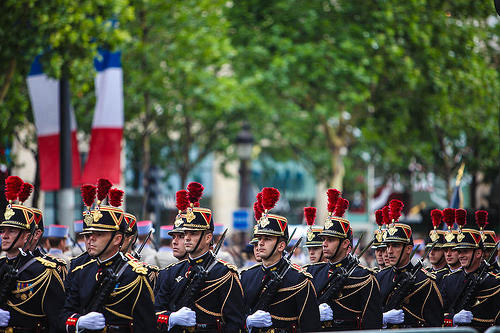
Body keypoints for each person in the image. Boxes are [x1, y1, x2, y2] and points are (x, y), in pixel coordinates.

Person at [61, 184, 155, 332]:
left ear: (117, 239)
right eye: (87, 235)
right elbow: (64, 314)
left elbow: (146, 325)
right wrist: (79, 322)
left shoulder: (134, 275)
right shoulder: (82, 271)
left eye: (98, 234)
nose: (90, 240)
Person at [155, 182, 244, 332]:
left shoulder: (224, 274)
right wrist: (171, 318)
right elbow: (155, 312)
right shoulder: (169, 273)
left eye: (193, 233)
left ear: (208, 237)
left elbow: (234, 323)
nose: (187, 238)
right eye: (185, 234)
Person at [240, 187, 320, 332]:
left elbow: (310, 326)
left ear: (281, 245)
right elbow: (233, 319)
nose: (260, 243)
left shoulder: (299, 279)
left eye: (267, 239)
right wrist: (247, 321)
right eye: (259, 239)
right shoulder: (246, 276)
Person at [306, 190, 382, 330]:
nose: (324, 244)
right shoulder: (311, 273)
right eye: (323, 239)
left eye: (331, 240)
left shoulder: (364, 277)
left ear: (346, 244)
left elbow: (371, 323)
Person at [0, 176, 65, 332]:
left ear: (27, 236)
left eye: (12, 231)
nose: (5, 236)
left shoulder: (45, 272)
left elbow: (56, 321)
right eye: (3, 231)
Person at [376, 200, 443, 328]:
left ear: (408, 249)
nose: (389, 251)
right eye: (388, 246)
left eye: (395, 246)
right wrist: (382, 318)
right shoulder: (380, 277)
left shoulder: (425, 281)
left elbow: (434, 324)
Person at [441, 211, 500, 330]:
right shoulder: (449, 280)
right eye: (459, 251)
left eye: (466, 251)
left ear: (478, 253)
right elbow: (438, 313)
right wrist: (452, 319)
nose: (461, 255)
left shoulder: (494, 282)